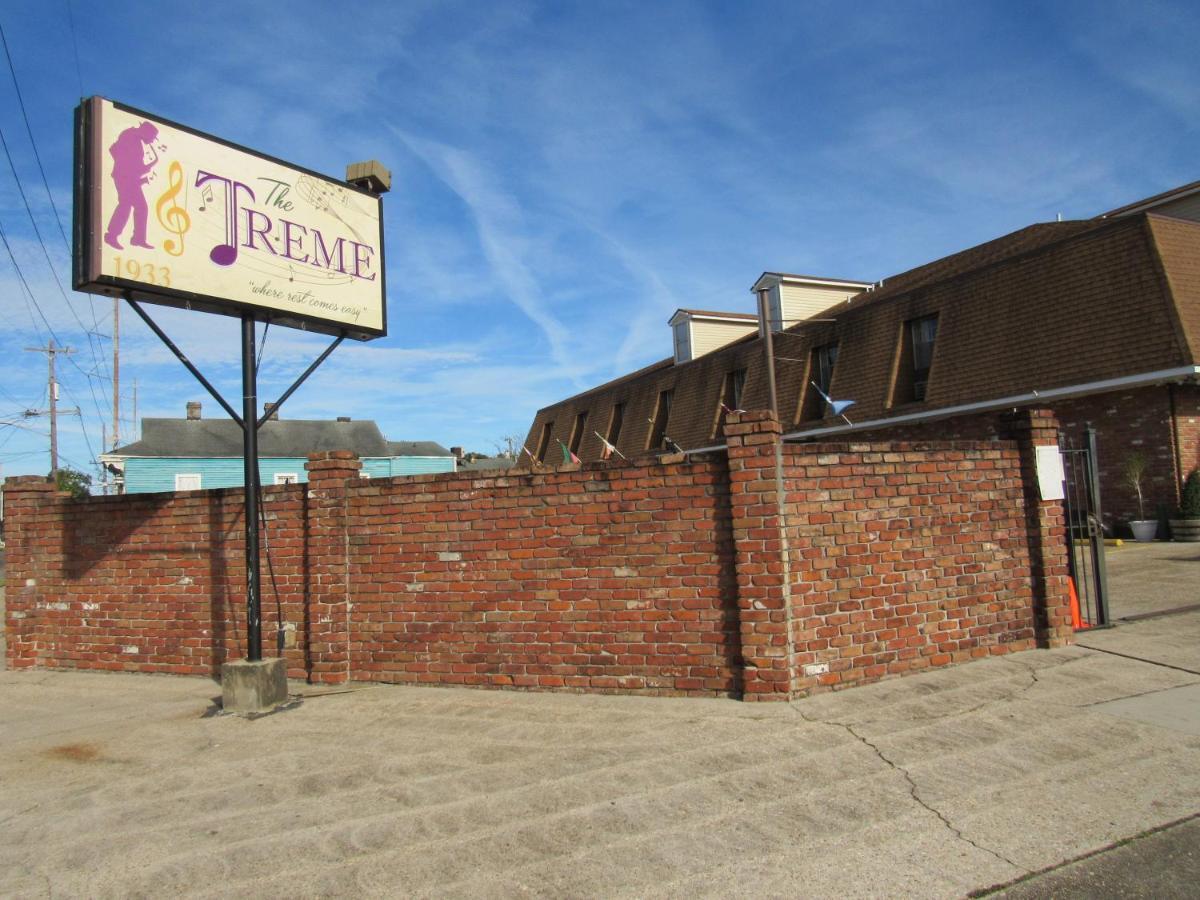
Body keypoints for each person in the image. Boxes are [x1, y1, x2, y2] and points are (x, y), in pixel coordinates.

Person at [104, 121, 160, 250]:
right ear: (146, 132)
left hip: (128, 178)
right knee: (126, 205)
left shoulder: (132, 137)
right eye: (151, 138)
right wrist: (147, 167)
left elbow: (116, 151)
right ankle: (112, 236)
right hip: (125, 177)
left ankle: (137, 239)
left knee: (140, 207)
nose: (151, 142)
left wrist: (142, 173)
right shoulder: (129, 136)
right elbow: (122, 157)